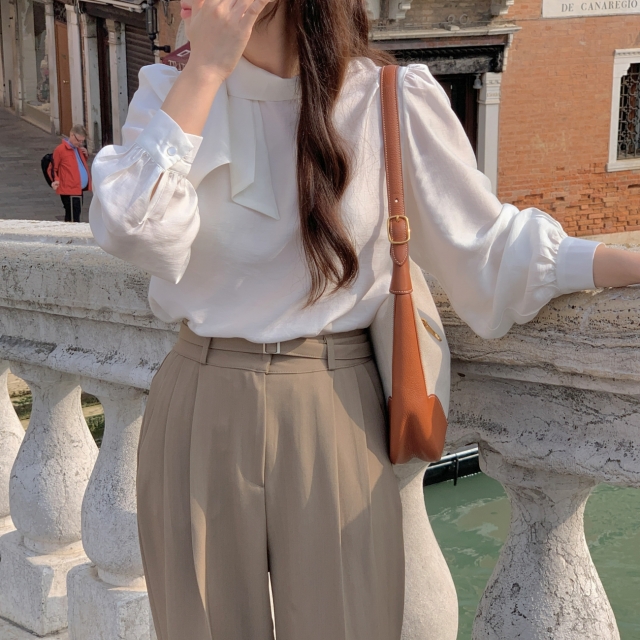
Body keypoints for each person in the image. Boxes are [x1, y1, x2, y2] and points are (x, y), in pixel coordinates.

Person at [88, 1, 640, 638]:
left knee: (347, 622)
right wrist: (207, 69)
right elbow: (131, 230)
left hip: (333, 403)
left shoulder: (387, 98)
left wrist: (617, 262)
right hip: (197, 396)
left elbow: (488, 248)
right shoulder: (173, 94)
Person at [51, 124, 91, 223]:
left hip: (78, 188)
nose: (80, 143)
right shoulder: (60, 150)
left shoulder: (78, 149)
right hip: (69, 189)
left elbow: (77, 164)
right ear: (72, 135)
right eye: (79, 140)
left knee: (75, 215)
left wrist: (85, 156)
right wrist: (55, 180)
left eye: (82, 141)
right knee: (73, 217)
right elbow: (53, 167)